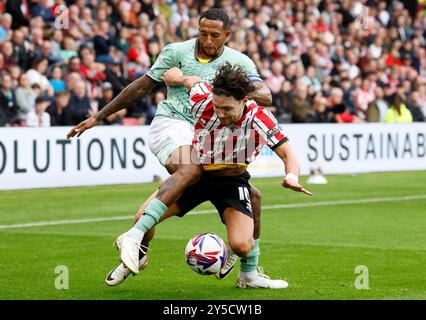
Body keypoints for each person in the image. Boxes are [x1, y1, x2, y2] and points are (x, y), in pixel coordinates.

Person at [66, 9, 272, 287]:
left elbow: (266, 95)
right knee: (191, 166)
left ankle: (248, 270)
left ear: (227, 35)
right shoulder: (176, 52)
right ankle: (136, 242)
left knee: (251, 194)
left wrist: (230, 89)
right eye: (203, 33)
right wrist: (99, 116)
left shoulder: (238, 62)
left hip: (209, 134)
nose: (208, 40)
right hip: (173, 123)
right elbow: (142, 86)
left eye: (214, 35)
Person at [114, 63, 312, 289]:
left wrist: (292, 177)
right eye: (217, 106)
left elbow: (289, 153)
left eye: (227, 109)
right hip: (197, 176)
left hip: (231, 182)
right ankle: (137, 249)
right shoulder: (203, 98)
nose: (220, 113)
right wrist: (177, 77)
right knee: (142, 218)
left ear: (245, 99)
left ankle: (249, 276)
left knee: (241, 246)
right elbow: (193, 81)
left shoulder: (259, 117)